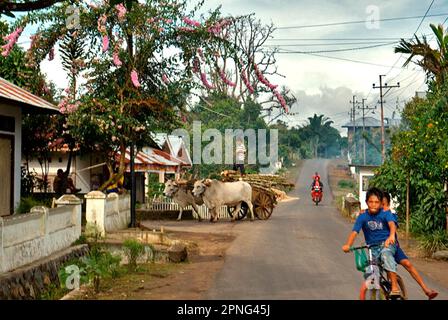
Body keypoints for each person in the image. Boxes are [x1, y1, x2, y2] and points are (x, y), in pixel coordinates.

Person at [342, 187, 401, 297]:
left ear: (380, 203)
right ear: (366, 202)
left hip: (387, 244)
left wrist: (392, 235)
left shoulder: (385, 213)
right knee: (370, 274)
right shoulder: (362, 217)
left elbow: (392, 224)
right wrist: (348, 245)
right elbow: (355, 232)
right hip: (372, 249)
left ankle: (395, 286)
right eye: (371, 202)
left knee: (385, 255)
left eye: (377, 202)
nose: (373, 204)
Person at [382, 191, 438, 300]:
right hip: (380, 248)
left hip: (394, 247)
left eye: (384, 205)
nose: (381, 208)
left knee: (407, 264)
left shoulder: (391, 216)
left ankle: (426, 289)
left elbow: (393, 226)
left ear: (388, 206)